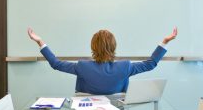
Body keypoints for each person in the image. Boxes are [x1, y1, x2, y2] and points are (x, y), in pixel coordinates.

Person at [28, 28, 177, 95]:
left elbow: (56, 64)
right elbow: (150, 64)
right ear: (114, 46)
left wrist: (40, 42)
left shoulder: (83, 67)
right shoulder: (125, 67)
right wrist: (164, 42)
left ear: (93, 46)